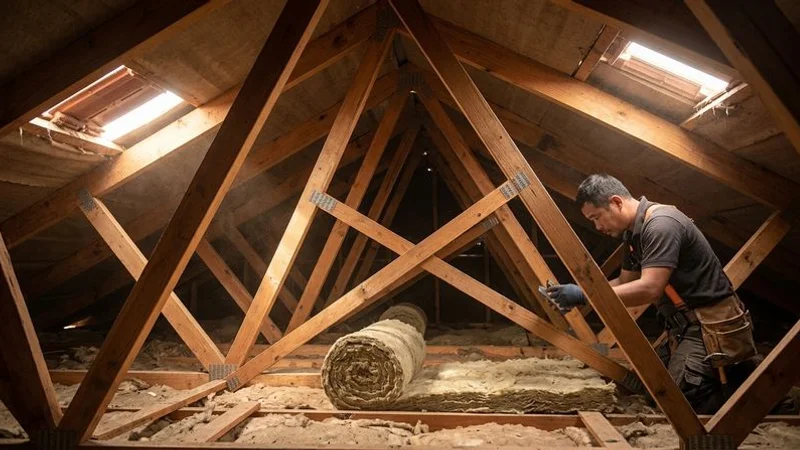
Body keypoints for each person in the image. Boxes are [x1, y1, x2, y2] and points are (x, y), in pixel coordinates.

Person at [546, 174, 754, 413]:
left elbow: (648, 288)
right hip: (683, 328)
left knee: (678, 401)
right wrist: (579, 291)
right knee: (648, 385)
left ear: (616, 202)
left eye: (597, 217)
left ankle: (758, 392)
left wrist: (584, 296)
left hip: (710, 325)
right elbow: (625, 281)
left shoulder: (661, 224)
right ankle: (737, 379)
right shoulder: (634, 235)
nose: (598, 226)